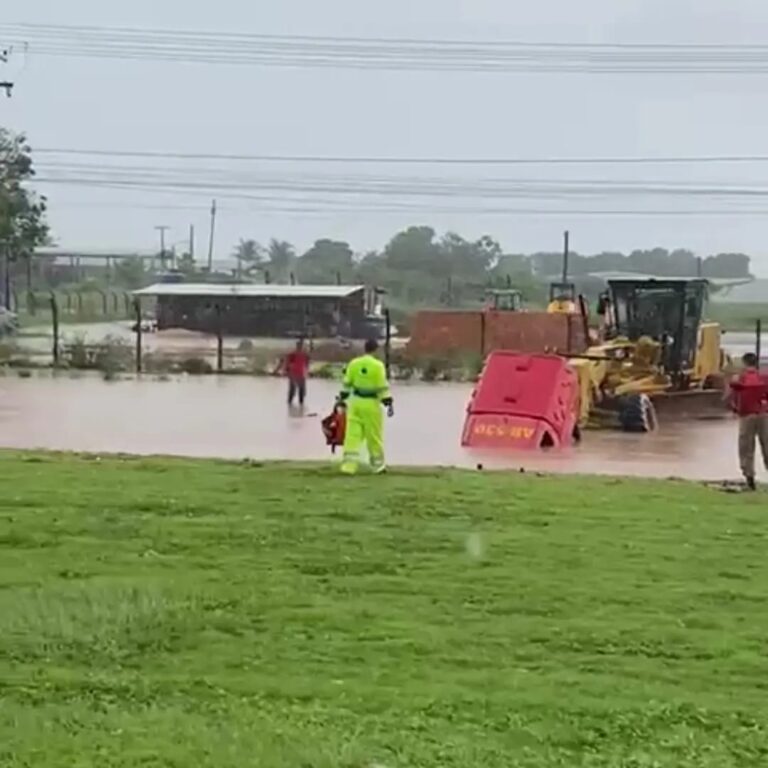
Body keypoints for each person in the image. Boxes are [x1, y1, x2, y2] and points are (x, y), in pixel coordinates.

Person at [337, 338, 393, 475]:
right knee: (373, 435)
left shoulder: (354, 364)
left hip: (355, 402)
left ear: (365, 348)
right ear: (375, 350)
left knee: (352, 435)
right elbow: (382, 387)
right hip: (371, 403)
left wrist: (341, 399)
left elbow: (346, 384)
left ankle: (348, 466)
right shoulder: (378, 366)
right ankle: (378, 466)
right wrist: (388, 403)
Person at [730, 352, 768, 490]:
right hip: (764, 415)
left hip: (746, 416)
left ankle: (749, 477)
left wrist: (734, 408)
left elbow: (733, 392)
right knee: (767, 445)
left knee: (746, 447)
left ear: (745, 363)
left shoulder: (740, 378)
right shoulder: (764, 378)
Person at [280, 339, 310, 407]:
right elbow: (287, 363)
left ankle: (301, 405)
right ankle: (289, 405)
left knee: (302, 391)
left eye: (301, 346)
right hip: (293, 374)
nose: (300, 347)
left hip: (301, 374)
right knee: (292, 391)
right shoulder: (292, 355)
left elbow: (306, 365)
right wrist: (285, 371)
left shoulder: (305, 355)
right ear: (297, 346)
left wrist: (307, 373)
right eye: (299, 346)